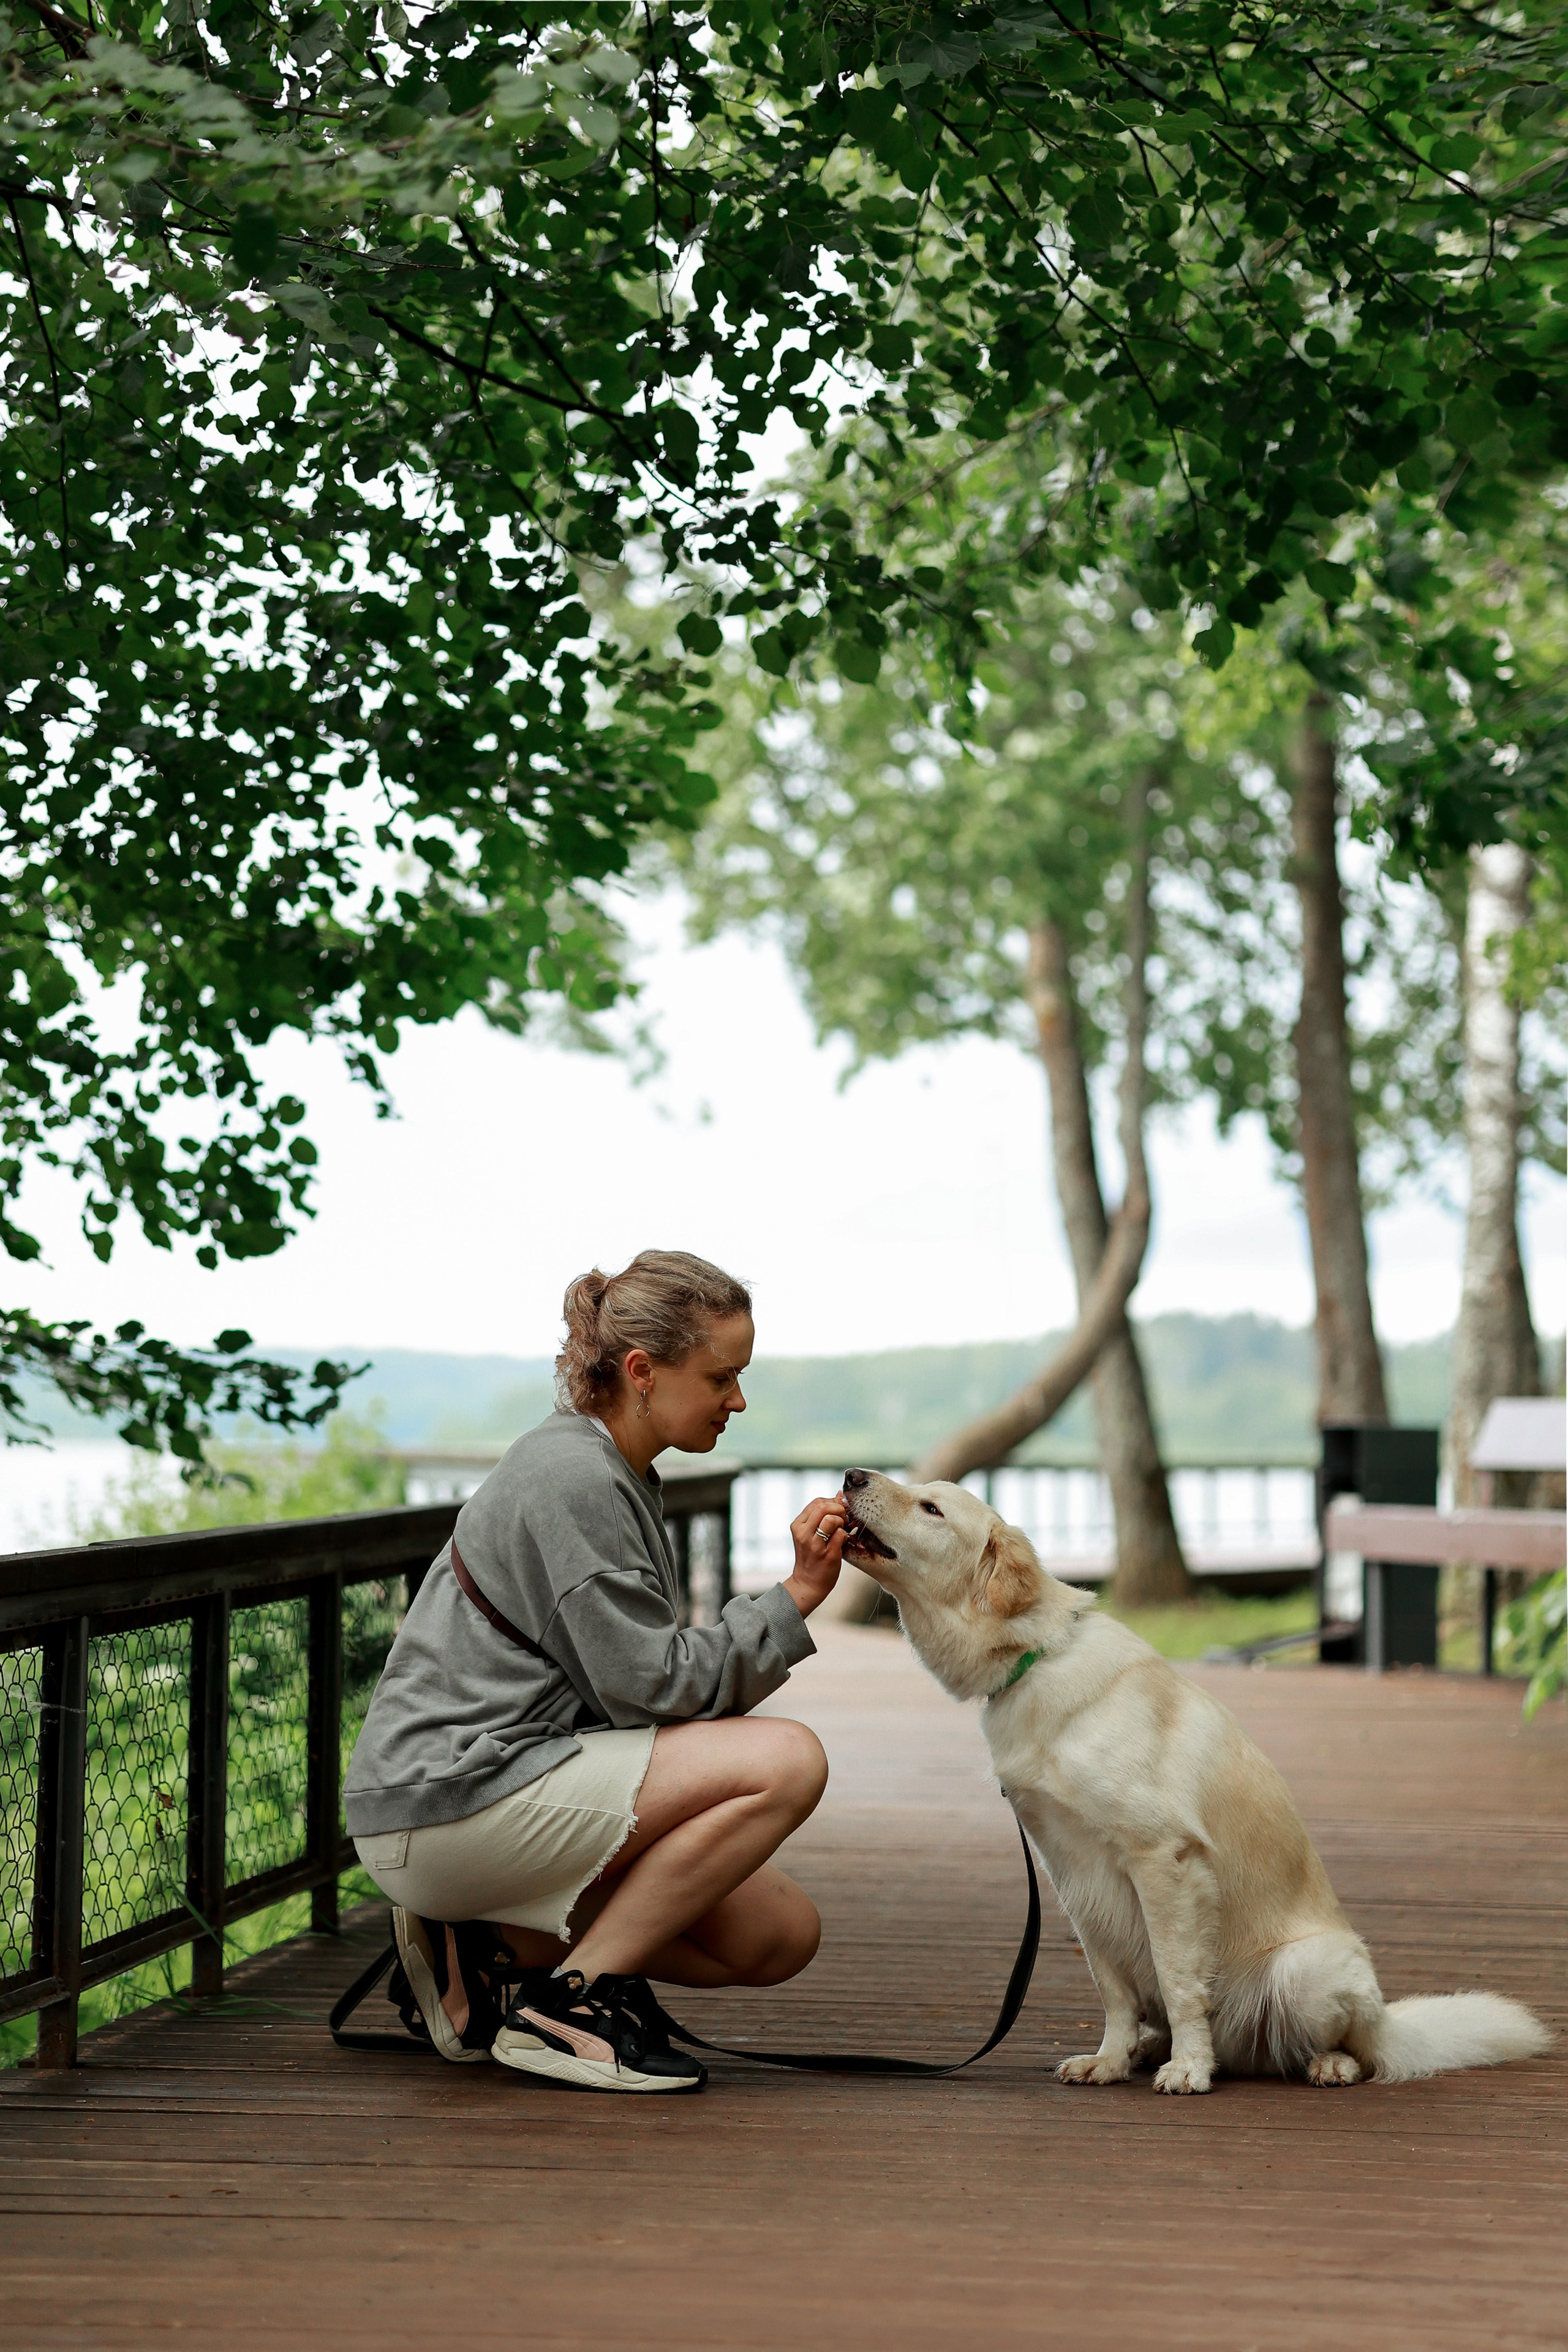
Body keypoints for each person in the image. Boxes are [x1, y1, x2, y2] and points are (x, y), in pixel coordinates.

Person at [344, 1250, 846, 2095]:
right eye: (722, 1377)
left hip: (494, 1789)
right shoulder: (575, 1479)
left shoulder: (615, 1468)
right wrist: (796, 1596)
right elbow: (651, 1688)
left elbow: (636, 1689)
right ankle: (563, 2008)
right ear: (643, 1372)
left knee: (776, 1936)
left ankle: (481, 1942)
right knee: (787, 1760)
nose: (738, 1399)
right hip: (447, 1797)